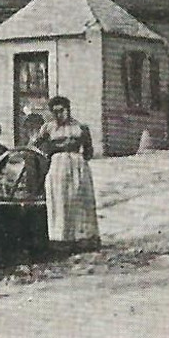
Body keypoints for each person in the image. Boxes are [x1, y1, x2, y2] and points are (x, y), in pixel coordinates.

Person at [31, 95, 100, 247]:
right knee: (60, 198)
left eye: (62, 111)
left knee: (78, 198)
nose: (59, 115)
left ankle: (84, 237)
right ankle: (61, 238)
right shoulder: (48, 128)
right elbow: (35, 146)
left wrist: (78, 158)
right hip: (57, 166)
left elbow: (88, 150)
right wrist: (50, 152)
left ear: (68, 110)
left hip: (77, 165)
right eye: (54, 112)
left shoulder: (80, 127)